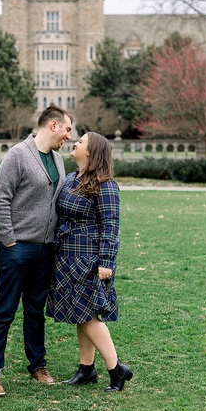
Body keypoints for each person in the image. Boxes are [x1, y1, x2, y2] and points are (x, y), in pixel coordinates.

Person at [0, 104, 73, 396]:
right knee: (5, 310)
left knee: (35, 311)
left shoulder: (58, 161)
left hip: (45, 250)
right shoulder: (18, 155)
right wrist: (9, 240)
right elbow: (0, 199)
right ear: (53, 125)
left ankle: (37, 365)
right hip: (15, 249)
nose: (69, 136)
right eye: (68, 129)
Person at [46, 132, 133, 393]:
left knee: (88, 315)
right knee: (80, 314)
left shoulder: (106, 185)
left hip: (90, 259)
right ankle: (86, 370)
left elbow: (111, 226)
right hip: (67, 256)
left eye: (81, 141)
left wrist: (106, 261)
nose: (76, 142)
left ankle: (116, 368)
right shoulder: (72, 179)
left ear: (92, 151)